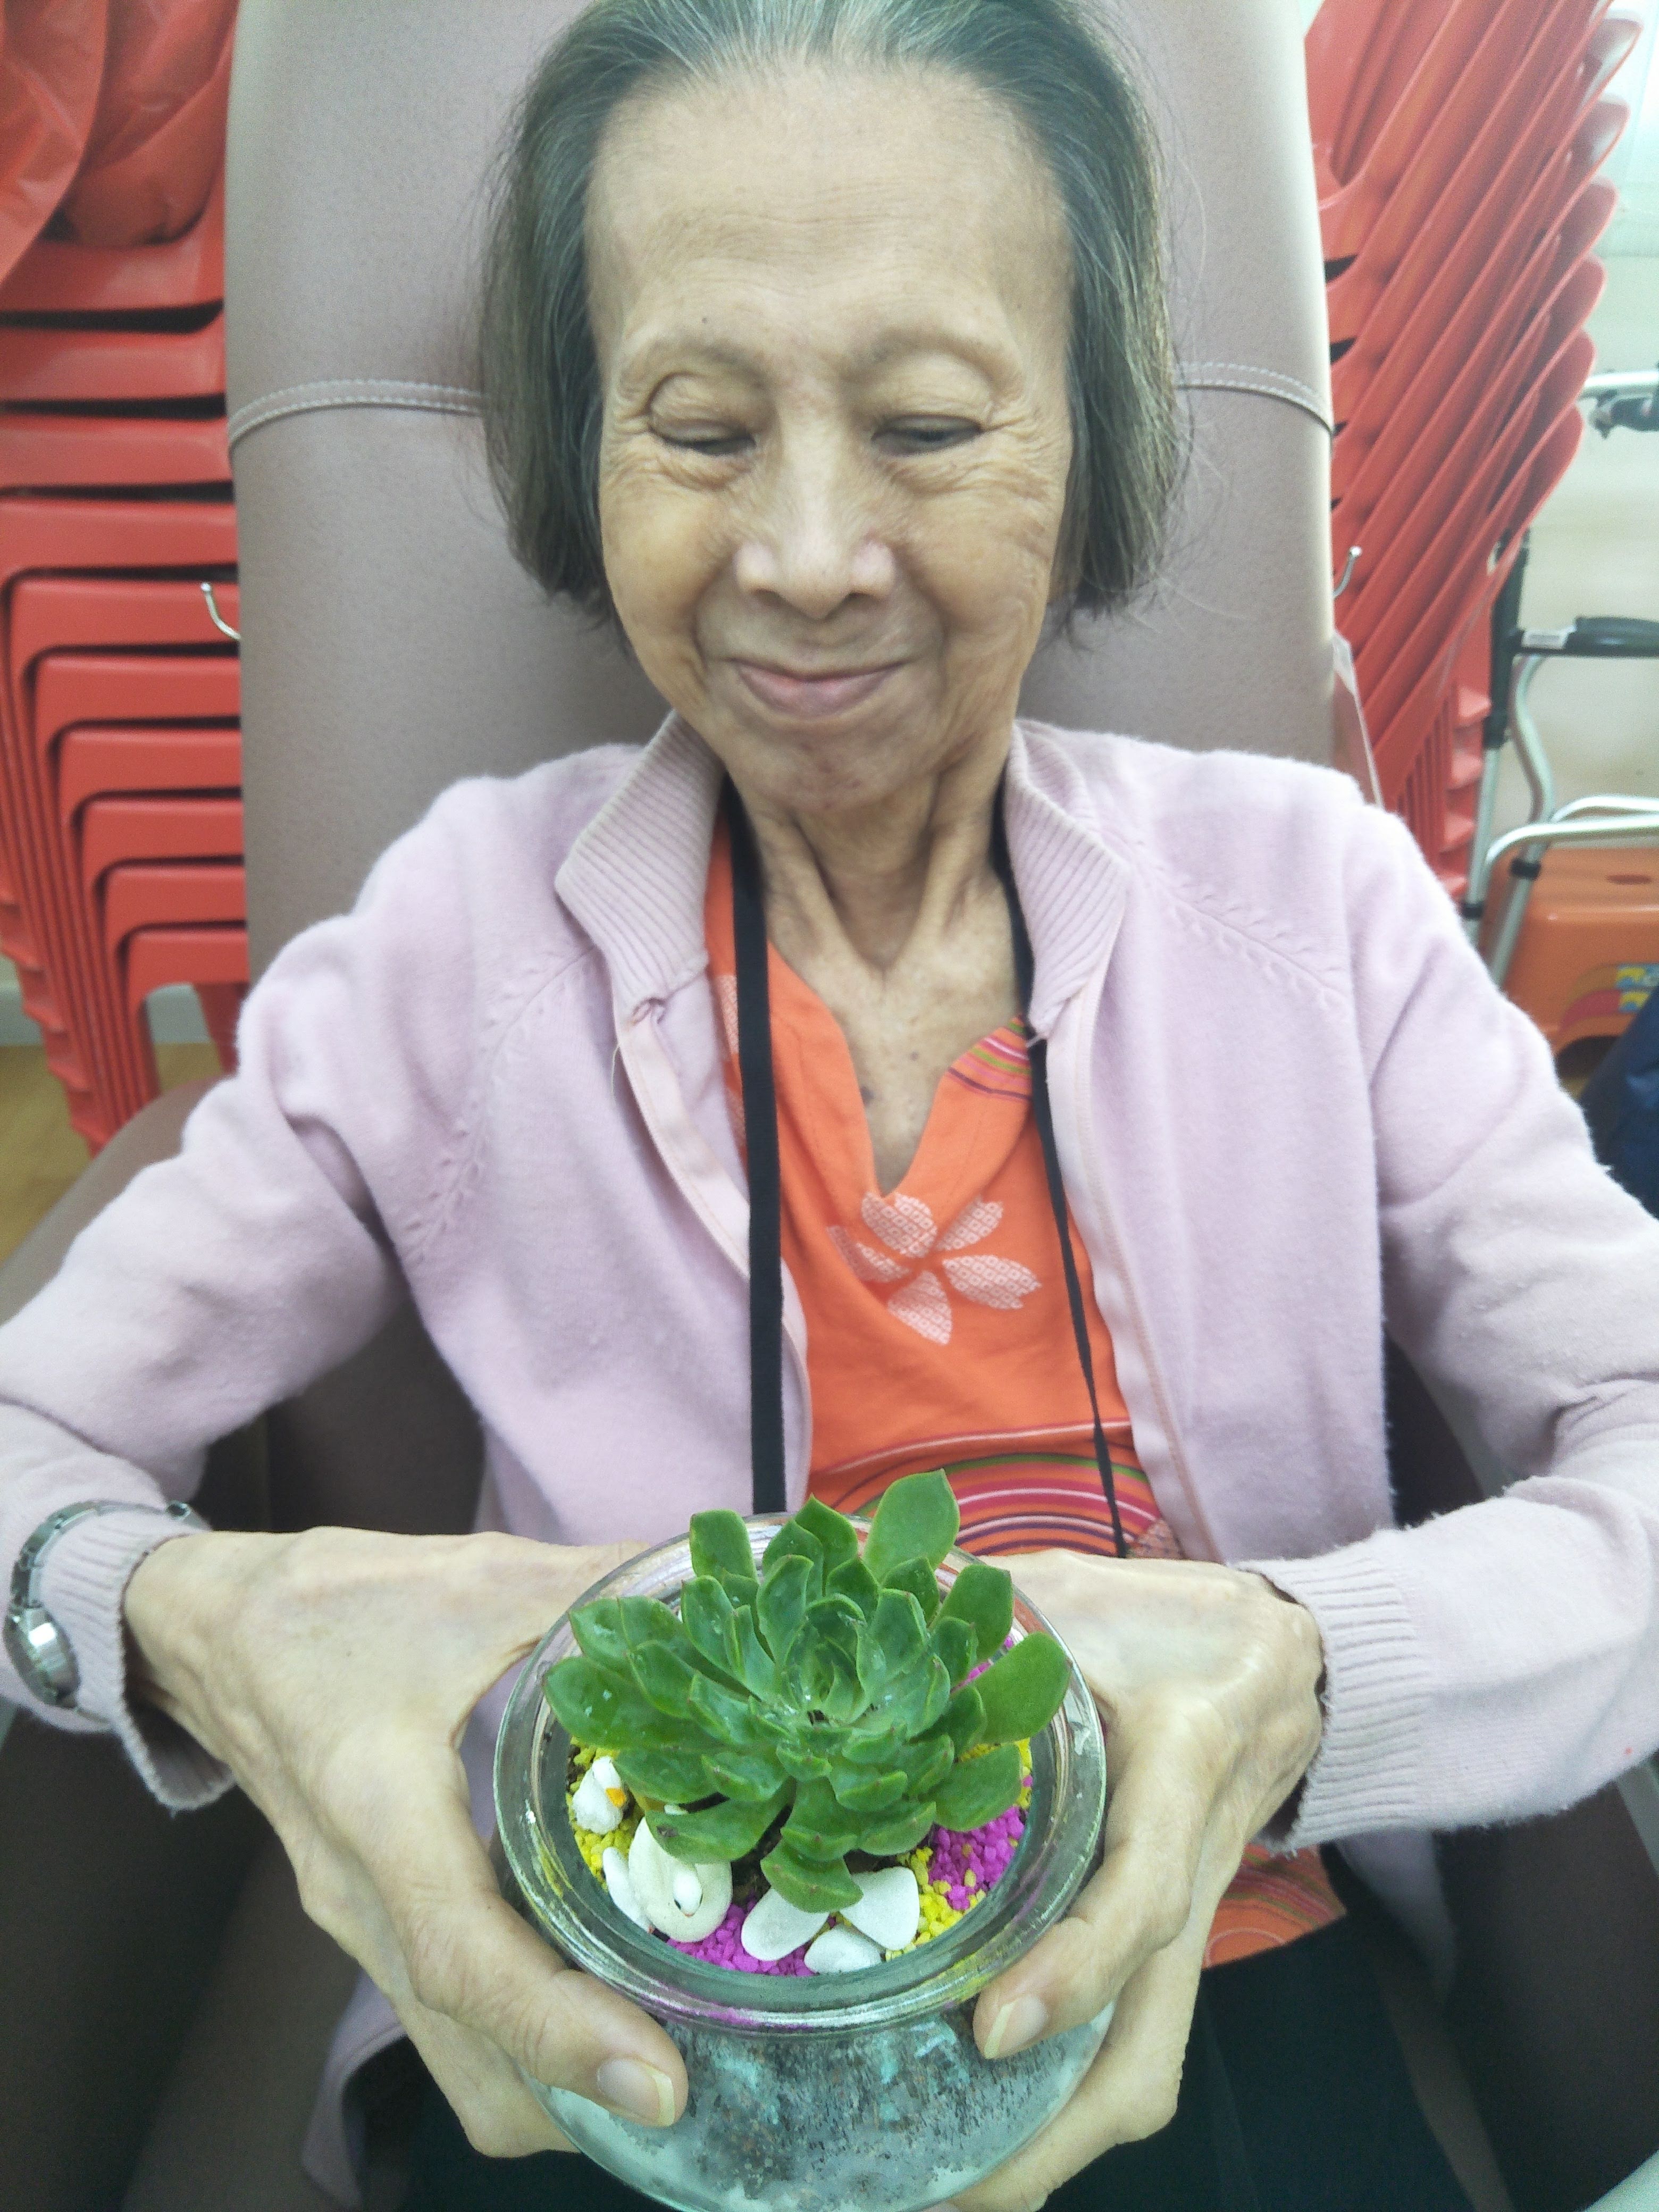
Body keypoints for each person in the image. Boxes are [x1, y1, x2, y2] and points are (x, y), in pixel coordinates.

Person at [1, 0, 1656, 2205]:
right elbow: (30, 1436)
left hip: (1209, 1960)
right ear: (588, 454)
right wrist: (197, 1623)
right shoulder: (455, 946)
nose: (802, 555)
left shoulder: (1315, 911)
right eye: (699, 428)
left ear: (1096, 437)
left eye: (930, 424)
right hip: (598, 1979)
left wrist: (1305, 1674)